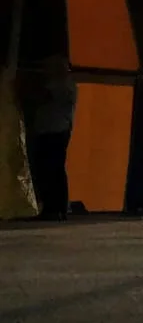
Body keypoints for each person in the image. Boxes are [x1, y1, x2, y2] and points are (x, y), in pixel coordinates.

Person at [30, 55, 77, 220]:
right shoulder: (63, 84)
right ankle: (54, 207)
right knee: (50, 170)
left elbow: (42, 96)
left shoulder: (62, 84)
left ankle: (56, 207)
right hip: (50, 129)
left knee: (53, 169)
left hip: (55, 130)